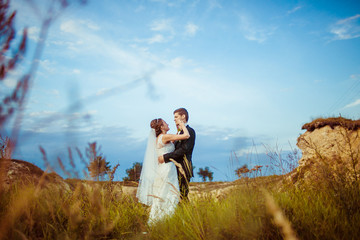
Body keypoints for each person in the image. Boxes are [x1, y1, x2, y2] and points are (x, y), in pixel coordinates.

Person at [136, 117, 190, 224]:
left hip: (162, 169)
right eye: (165, 123)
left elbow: (173, 141)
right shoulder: (164, 137)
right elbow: (187, 135)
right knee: (169, 195)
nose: (168, 123)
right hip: (168, 168)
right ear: (161, 127)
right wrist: (181, 123)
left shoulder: (159, 139)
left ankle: (155, 222)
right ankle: (165, 221)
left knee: (161, 195)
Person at [158, 108, 196, 202]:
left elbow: (183, 150)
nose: (174, 119)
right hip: (174, 169)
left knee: (182, 196)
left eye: (176, 117)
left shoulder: (189, 131)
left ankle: (187, 215)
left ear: (183, 116)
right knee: (175, 197)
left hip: (183, 167)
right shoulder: (180, 132)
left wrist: (165, 157)